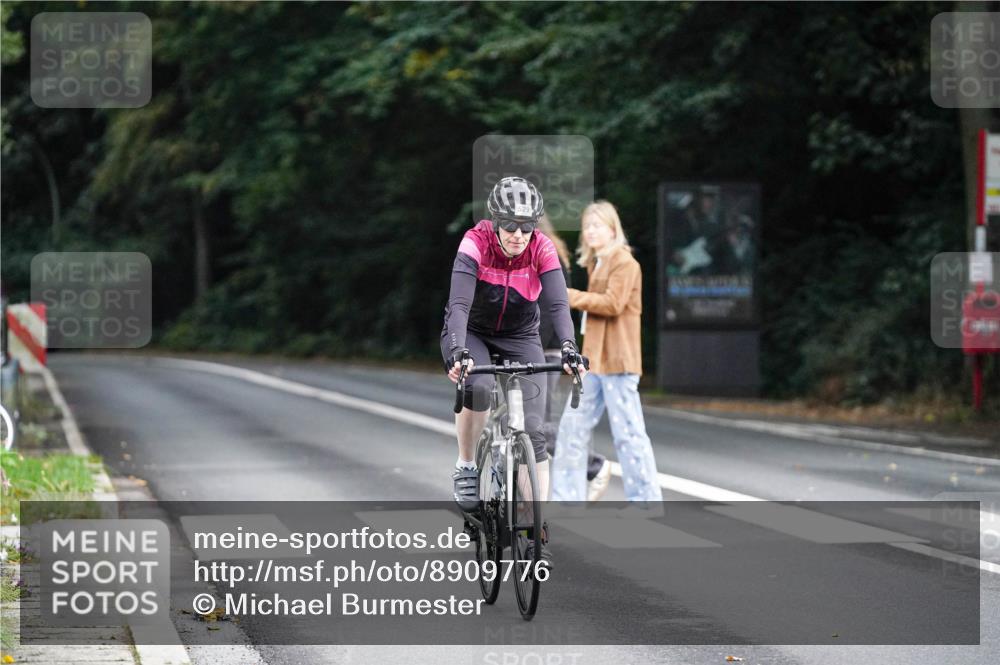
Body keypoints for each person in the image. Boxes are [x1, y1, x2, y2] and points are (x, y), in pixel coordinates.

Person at [441, 176, 585, 565]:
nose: (519, 234)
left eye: (527, 226)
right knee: (481, 388)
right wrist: (457, 351)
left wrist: (570, 347)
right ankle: (467, 465)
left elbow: (557, 306)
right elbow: (458, 305)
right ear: (495, 222)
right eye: (511, 226)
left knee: (535, 432)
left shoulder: (542, 247)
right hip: (472, 332)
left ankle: (534, 527)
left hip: (521, 333)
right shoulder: (475, 242)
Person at [551, 201, 663, 503]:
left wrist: (570, 296)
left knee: (629, 436)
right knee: (571, 432)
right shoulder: (596, 262)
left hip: (619, 362)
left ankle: (645, 502)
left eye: (597, 226)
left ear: (613, 229)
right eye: (587, 227)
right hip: (593, 363)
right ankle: (565, 501)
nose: (590, 232)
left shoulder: (625, 263)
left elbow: (613, 304)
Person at [535, 214, 611, 501]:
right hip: (541, 347)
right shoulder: (547, 250)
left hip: (545, 349)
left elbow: (551, 308)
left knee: (536, 426)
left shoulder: (546, 254)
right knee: (521, 423)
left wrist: (528, 348)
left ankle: (594, 465)